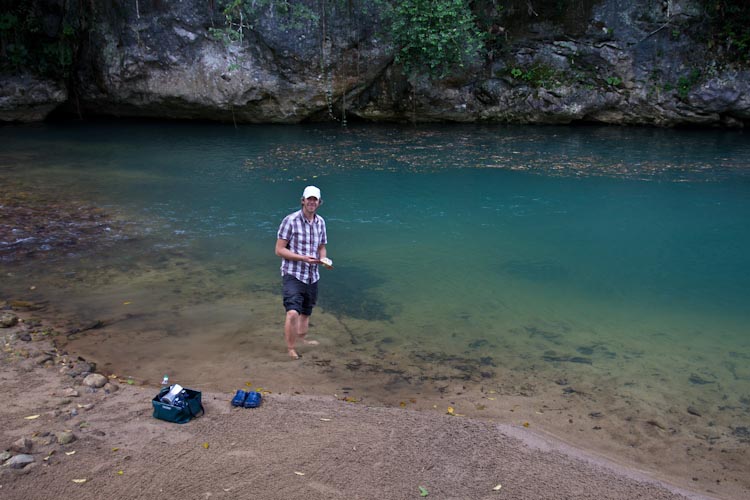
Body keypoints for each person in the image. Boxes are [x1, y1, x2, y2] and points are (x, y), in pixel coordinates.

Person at [275, 185, 330, 360]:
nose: (312, 202)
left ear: (319, 202)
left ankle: (302, 339)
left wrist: (324, 260)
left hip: (312, 274)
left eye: (315, 199)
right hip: (293, 272)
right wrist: (302, 258)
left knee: (306, 311)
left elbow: (322, 247)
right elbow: (279, 250)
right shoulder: (290, 221)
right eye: (309, 199)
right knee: (292, 312)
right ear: (303, 201)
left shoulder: (320, 222)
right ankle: (291, 348)